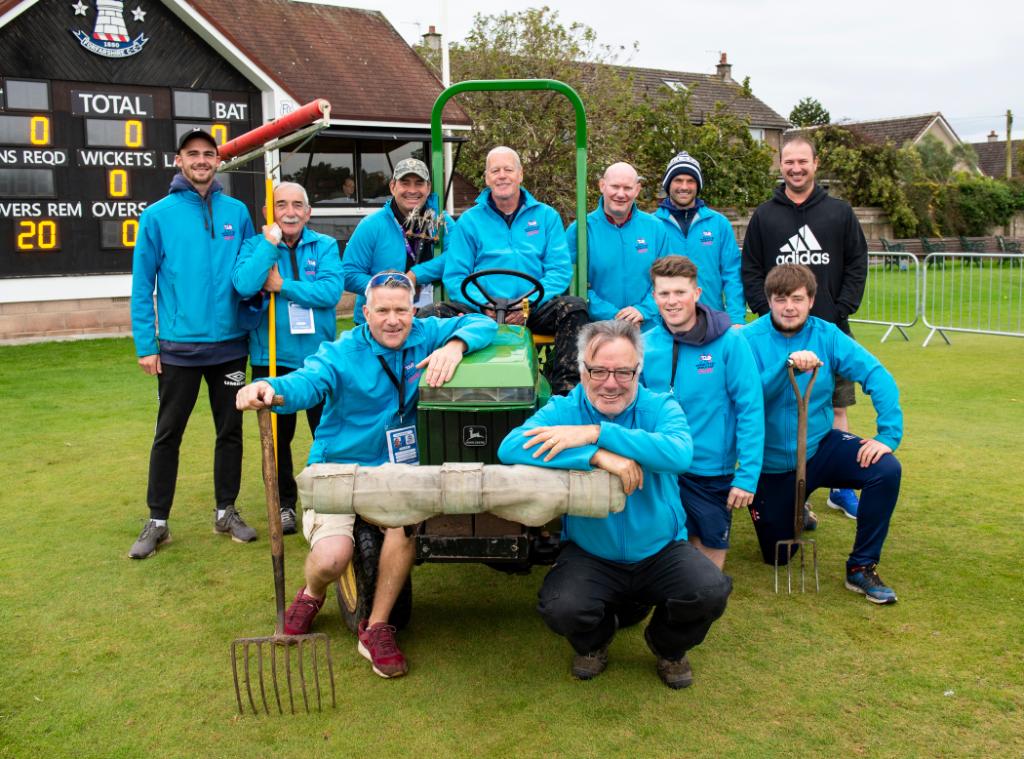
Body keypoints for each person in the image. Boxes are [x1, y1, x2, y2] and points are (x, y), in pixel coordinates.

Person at [235, 271, 497, 677]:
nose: (393, 320)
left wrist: (457, 346)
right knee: (330, 559)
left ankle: (375, 628)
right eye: (382, 311)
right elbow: (307, 382)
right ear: (365, 312)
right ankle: (312, 593)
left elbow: (484, 322)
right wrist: (267, 387)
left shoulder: (428, 333)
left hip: (398, 471)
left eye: (401, 310)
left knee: (405, 528)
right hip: (341, 466)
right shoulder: (341, 351)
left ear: (413, 311)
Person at [498, 320, 732, 689]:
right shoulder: (564, 409)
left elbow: (680, 453)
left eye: (623, 371)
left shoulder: (660, 406)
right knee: (561, 606)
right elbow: (510, 446)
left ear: (638, 370)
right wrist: (594, 457)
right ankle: (595, 642)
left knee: (710, 590)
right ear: (581, 370)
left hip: (659, 549)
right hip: (592, 552)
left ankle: (666, 645)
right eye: (599, 370)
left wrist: (599, 434)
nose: (610, 382)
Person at [128, 128, 257, 560]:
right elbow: (142, 283)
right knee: (168, 434)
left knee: (230, 431)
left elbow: (249, 274)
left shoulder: (237, 212)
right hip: (178, 349)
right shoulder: (157, 215)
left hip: (230, 349)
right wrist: (147, 345)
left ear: (218, 160)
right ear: (178, 160)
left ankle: (226, 511)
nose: (202, 160)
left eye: (208, 154)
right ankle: (158, 521)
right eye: (193, 154)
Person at [741, 264, 902, 604]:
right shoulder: (746, 341)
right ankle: (795, 509)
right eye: (780, 298)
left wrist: (887, 436)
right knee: (778, 556)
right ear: (768, 301)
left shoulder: (827, 335)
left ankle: (861, 567)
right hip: (769, 463)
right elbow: (748, 399)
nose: (789, 307)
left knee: (886, 470)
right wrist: (785, 367)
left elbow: (876, 374)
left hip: (819, 448)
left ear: (811, 300)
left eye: (797, 299)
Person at [741, 134, 869, 520]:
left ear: (816, 163)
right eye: (788, 162)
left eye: (803, 161)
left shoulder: (840, 212)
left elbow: (857, 266)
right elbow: (750, 270)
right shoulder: (765, 216)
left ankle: (841, 490)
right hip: (778, 338)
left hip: (831, 333)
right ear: (779, 165)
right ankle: (800, 495)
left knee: (836, 410)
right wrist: (773, 317)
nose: (796, 168)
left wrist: (837, 311)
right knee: (781, 413)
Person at [428, 146, 588, 395]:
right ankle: (432, 384)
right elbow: (456, 275)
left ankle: (566, 392)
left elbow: (559, 270)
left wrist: (527, 303)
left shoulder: (546, 217)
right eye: (495, 170)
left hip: (532, 307)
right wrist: (485, 305)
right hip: (480, 310)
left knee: (574, 307)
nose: (502, 175)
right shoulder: (470, 221)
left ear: (520, 174)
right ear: (487, 178)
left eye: (508, 169)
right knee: (431, 312)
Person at [232, 181, 343, 535]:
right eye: (282, 204)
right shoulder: (255, 245)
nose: (290, 211)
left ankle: (331, 500)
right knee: (278, 438)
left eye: (298, 205)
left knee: (326, 431)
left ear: (308, 212)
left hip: (318, 359)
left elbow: (331, 292)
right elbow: (244, 285)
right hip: (272, 359)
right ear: (270, 211)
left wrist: (284, 287)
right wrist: (269, 245)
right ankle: (285, 505)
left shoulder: (324, 246)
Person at [641, 256, 764, 569]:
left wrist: (747, 476)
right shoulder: (643, 346)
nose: (672, 301)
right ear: (653, 296)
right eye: (664, 294)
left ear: (696, 293)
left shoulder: (731, 341)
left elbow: (750, 409)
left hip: (710, 472)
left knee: (705, 571)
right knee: (659, 556)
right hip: (659, 469)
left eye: (680, 292)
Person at [343, 158, 448, 323]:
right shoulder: (371, 225)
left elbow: (458, 255)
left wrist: (416, 275)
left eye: (419, 183)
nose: (412, 190)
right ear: (393, 187)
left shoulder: (442, 222)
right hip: (378, 322)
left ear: (428, 188)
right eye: (405, 183)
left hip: (431, 320)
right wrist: (389, 287)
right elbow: (348, 274)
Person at [565, 162, 668, 326]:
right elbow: (573, 283)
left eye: (627, 188)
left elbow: (666, 279)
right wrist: (614, 315)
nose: (621, 194)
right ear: (602, 185)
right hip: (599, 330)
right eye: (615, 186)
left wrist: (644, 310)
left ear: (637, 190)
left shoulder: (656, 228)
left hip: (647, 330)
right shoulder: (580, 230)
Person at [654, 151, 746, 325]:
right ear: (668, 184)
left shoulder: (719, 223)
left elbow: (732, 274)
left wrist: (735, 318)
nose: (684, 186)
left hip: (711, 321)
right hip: (666, 323)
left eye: (690, 181)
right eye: (678, 180)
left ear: (698, 185)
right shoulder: (653, 225)